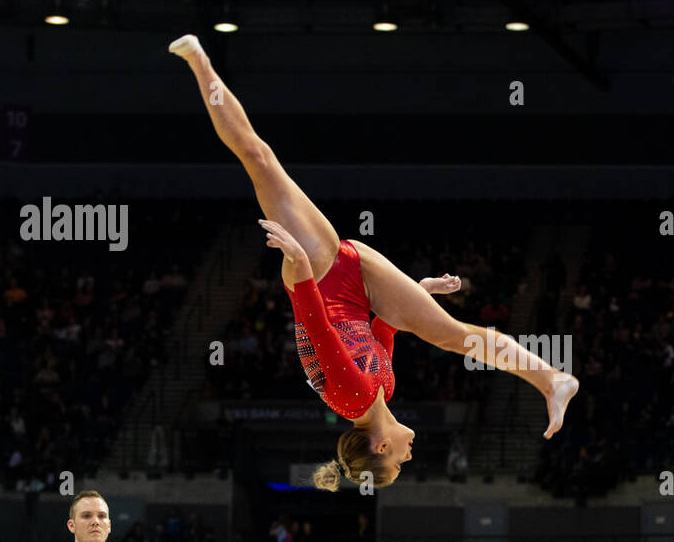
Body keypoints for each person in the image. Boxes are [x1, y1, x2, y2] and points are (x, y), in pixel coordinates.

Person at [169, 34, 578, 489]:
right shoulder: (382, 391)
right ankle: (552, 379)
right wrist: (417, 291)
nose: (409, 456)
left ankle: (200, 62)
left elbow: (318, 328)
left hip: (321, 274)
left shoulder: (352, 396)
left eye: (400, 464)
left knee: (258, 158)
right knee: (452, 335)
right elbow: (381, 332)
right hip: (359, 288)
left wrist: (299, 264)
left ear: (379, 447)